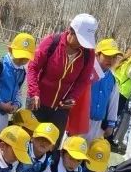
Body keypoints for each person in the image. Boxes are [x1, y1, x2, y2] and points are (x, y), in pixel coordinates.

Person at [26, 14, 97, 143]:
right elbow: (33, 67)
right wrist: (34, 92)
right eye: (80, 39)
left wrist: (72, 97)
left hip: (60, 109)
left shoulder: (88, 53)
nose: (82, 44)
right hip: (37, 103)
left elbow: (83, 80)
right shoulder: (52, 42)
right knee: (29, 140)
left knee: (51, 146)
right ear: (71, 30)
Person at [0, 32, 35, 138]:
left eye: (26, 58)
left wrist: (16, 105)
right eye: (20, 56)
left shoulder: (22, 72)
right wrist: (1, 104)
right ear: (10, 50)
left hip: (4, 115)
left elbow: (19, 92)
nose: (23, 60)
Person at [87, 38, 122, 142]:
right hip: (81, 120)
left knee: (92, 149)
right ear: (97, 55)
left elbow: (113, 103)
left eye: (114, 57)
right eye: (107, 56)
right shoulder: (87, 71)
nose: (111, 60)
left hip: (98, 124)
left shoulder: (112, 79)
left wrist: (111, 124)